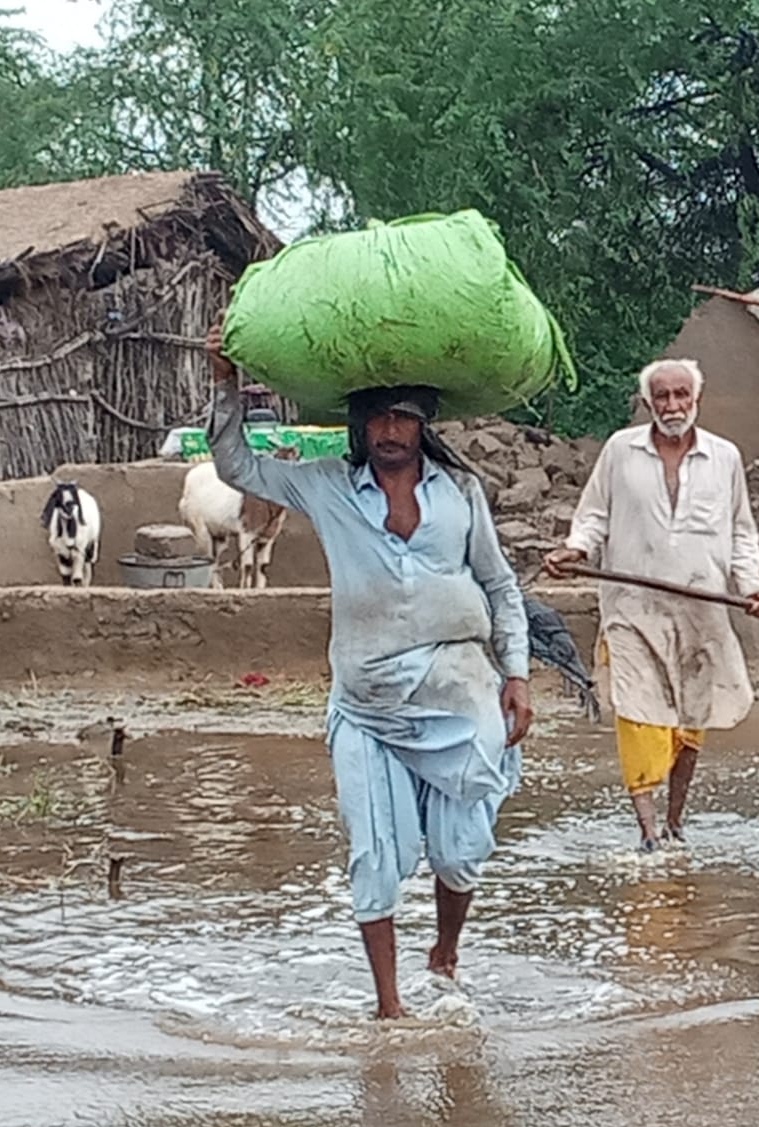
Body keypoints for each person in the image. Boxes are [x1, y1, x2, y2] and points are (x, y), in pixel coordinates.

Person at [203, 320, 533, 1020]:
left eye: (403, 418)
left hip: (458, 687)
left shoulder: (461, 493)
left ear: (422, 426)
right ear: (359, 426)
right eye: (378, 417)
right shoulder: (328, 488)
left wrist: (518, 673)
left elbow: (501, 587)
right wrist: (225, 385)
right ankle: (389, 1007)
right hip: (366, 700)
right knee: (374, 854)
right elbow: (237, 468)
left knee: (461, 846)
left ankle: (445, 951)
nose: (389, 430)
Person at [545, 358, 759, 850]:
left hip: (702, 609)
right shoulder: (620, 452)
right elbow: (593, 517)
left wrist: (752, 586)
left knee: (689, 722)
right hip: (632, 608)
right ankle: (648, 832)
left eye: (681, 396)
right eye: (662, 397)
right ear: (648, 403)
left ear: (697, 400)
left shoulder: (724, 458)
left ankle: (675, 823)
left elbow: (741, 533)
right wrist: (576, 548)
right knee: (638, 713)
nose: (672, 406)